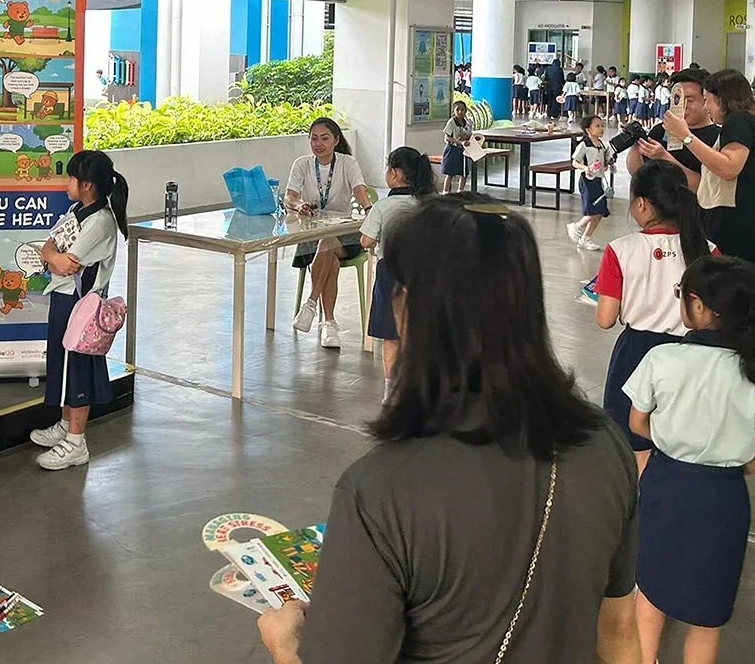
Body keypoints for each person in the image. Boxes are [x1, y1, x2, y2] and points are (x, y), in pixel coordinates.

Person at [256, 195, 641, 664]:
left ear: (407, 308)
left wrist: (284, 644)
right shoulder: (606, 446)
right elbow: (620, 635)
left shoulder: (379, 491)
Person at [625, 256, 755, 664]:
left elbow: (637, 423)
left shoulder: (662, 358)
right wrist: (725, 466)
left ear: (699, 306)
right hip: (724, 497)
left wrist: (676, 444)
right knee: (708, 614)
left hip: (666, 486)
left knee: (650, 595)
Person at [597, 161, 712, 475]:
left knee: (635, 441)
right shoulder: (707, 250)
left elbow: (606, 319)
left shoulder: (620, 250)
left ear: (642, 205)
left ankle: (642, 499)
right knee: (680, 439)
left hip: (636, 354)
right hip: (689, 355)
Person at [29, 149, 129, 470]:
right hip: (63, 300)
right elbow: (50, 246)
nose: (66, 184)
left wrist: (53, 258)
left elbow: (65, 264)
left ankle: (76, 441)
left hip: (81, 305)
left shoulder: (100, 223)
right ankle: (65, 425)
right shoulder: (77, 211)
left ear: (87, 185)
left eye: (71, 178)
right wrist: (52, 256)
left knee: (78, 369)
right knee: (62, 364)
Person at [659, 70, 755, 274]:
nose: (706, 107)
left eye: (708, 100)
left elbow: (728, 167)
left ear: (723, 99)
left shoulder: (739, 122)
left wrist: (685, 136)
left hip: (736, 230)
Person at [286, 118, 371, 350]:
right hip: (311, 235)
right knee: (328, 256)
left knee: (328, 241)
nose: (318, 144)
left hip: (345, 234)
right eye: (314, 138)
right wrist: (299, 205)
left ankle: (310, 304)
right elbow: (290, 196)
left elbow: (359, 189)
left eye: (324, 138)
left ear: (336, 140)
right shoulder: (302, 164)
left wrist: (369, 210)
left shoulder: (347, 163)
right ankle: (329, 324)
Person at [360, 147, 435, 401]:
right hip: (423, 272)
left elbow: (366, 241)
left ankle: (390, 388)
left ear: (393, 173)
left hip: (390, 272)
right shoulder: (428, 204)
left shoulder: (383, 206)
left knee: (391, 334)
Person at [627, 68, 721, 192]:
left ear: (706, 100)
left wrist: (664, 157)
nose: (682, 105)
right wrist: (637, 142)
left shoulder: (717, 138)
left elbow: (703, 187)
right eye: (677, 99)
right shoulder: (661, 130)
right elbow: (636, 171)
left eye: (690, 100)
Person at [568, 113, 613, 251]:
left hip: (598, 180)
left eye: (602, 126)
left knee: (600, 212)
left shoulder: (601, 145)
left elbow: (603, 162)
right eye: (597, 126)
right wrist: (585, 168)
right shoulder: (584, 145)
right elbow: (575, 162)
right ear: (588, 130)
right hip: (587, 181)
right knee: (593, 210)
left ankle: (585, 238)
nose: (601, 129)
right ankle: (577, 226)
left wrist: (608, 165)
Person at [440, 100, 473, 194]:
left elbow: (469, 134)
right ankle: (446, 192)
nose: (460, 112)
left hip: (463, 150)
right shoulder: (451, 122)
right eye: (457, 110)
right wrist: (460, 142)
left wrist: (468, 138)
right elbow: (447, 137)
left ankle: (460, 192)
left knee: (464, 173)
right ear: (453, 111)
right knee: (450, 173)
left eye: (462, 110)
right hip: (452, 149)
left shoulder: (467, 123)